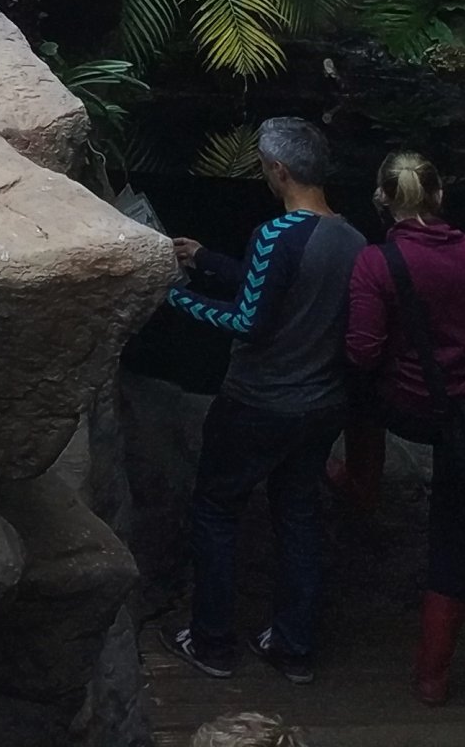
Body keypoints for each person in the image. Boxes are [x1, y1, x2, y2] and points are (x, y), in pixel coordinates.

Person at [161, 114, 364, 683]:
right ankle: (294, 648)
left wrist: (172, 297)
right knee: (298, 516)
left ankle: (212, 642)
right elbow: (278, 285)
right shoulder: (353, 238)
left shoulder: (276, 234)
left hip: (257, 404)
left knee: (217, 510)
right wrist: (204, 259)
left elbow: (249, 319)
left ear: (278, 170)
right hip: (320, 406)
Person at [344, 148, 465, 704]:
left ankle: (361, 479)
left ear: (381, 200)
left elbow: (361, 351)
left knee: (353, 391)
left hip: (413, 409)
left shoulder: (376, 263)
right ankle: (432, 676)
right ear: (440, 196)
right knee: (452, 537)